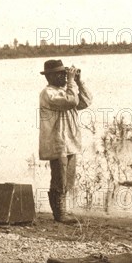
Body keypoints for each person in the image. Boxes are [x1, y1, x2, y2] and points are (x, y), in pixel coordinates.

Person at [39, 59, 92, 224]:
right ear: (51, 76)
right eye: (61, 74)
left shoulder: (66, 90)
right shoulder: (48, 93)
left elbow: (86, 101)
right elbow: (71, 101)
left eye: (65, 73)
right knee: (59, 177)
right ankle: (60, 214)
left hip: (69, 140)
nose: (64, 76)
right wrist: (71, 82)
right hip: (57, 141)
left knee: (68, 177)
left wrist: (78, 81)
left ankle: (61, 212)